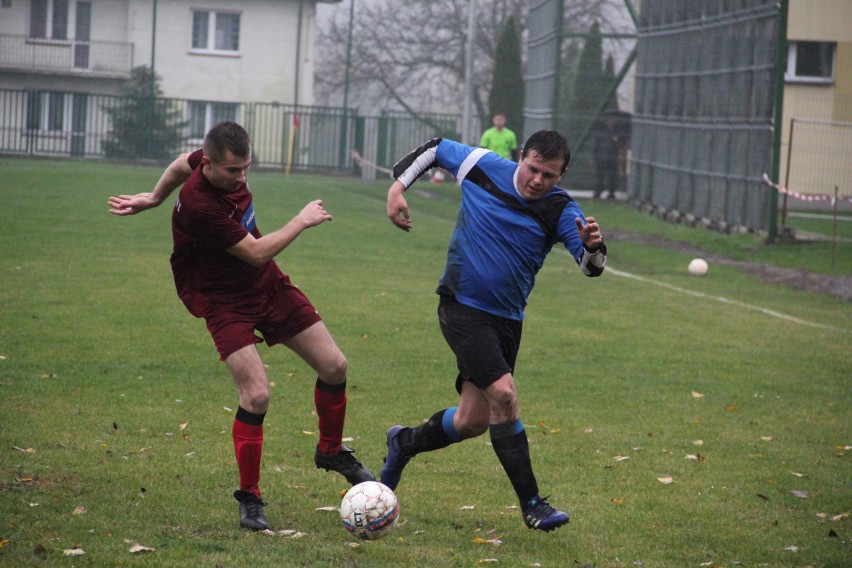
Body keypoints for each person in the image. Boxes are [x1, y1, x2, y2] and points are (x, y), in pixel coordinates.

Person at [107, 121, 374, 532]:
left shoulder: (206, 162)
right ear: (211, 165)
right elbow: (254, 252)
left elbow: (181, 161)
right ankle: (249, 496)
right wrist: (301, 220)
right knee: (257, 394)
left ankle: (331, 451)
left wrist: (154, 198)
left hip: (266, 287)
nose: (242, 177)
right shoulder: (200, 204)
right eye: (233, 171)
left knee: (335, 365)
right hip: (223, 300)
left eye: (246, 167)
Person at [383, 130, 606, 532]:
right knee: (504, 394)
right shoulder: (482, 165)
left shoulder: (561, 209)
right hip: (461, 306)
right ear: (521, 156)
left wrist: (592, 246)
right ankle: (533, 504)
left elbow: (591, 267)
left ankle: (403, 443)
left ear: (562, 175)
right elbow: (434, 148)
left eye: (549, 175)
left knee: (472, 420)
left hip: (507, 322)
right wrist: (397, 188)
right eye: (533, 168)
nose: (537, 180)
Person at [592, 116, 622, 199]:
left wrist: (617, 141)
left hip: (612, 158)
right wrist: (594, 157)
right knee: (599, 176)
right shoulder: (601, 132)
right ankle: (598, 191)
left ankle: (611, 192)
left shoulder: (618, 132)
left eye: (613, 121)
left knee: (611, 176)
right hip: (602, 158)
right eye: (610, 121)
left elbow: (621, 146)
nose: (611, 122)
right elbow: (596, 146)